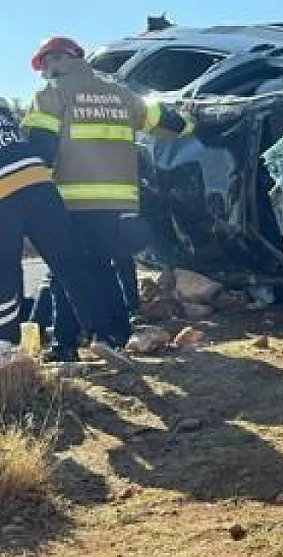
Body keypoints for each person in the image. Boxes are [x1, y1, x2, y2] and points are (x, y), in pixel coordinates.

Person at [21, 36, 192, 362]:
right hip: (119, 205)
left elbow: (40, 148)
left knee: (65, 273)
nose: (44, 73)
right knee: (102, 267)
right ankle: (114, 337)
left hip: (72, 201)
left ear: (58, 60)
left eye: (45, 65)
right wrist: (190, 117)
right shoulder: (120, 95)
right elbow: (174, 125)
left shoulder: (52, 95)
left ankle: (64, 348)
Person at [0, 98, 132, 368]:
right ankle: (103, 336)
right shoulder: (3, 110)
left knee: (7, 272)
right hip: (40, 185)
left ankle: (6, 346)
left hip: (3, 193)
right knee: (71, 265)